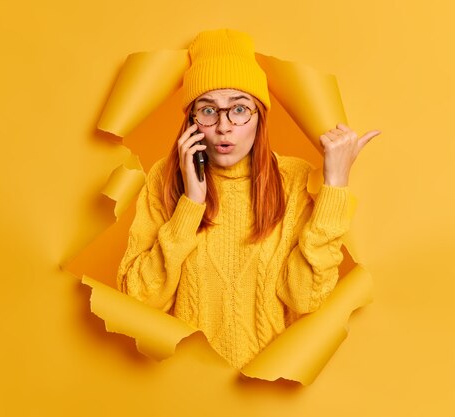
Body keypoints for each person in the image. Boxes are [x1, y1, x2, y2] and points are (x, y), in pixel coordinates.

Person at [117, 29, 380, 369]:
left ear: (259, 117)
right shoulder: (163, 180)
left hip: (268, 392)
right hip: (183, 389)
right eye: (208, 111)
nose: (224, 126)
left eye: (239, 109)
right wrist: (191, 205)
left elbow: (305, 298)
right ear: (191, 121)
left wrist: (335, 183)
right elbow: (137, 302)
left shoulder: (294, 180)